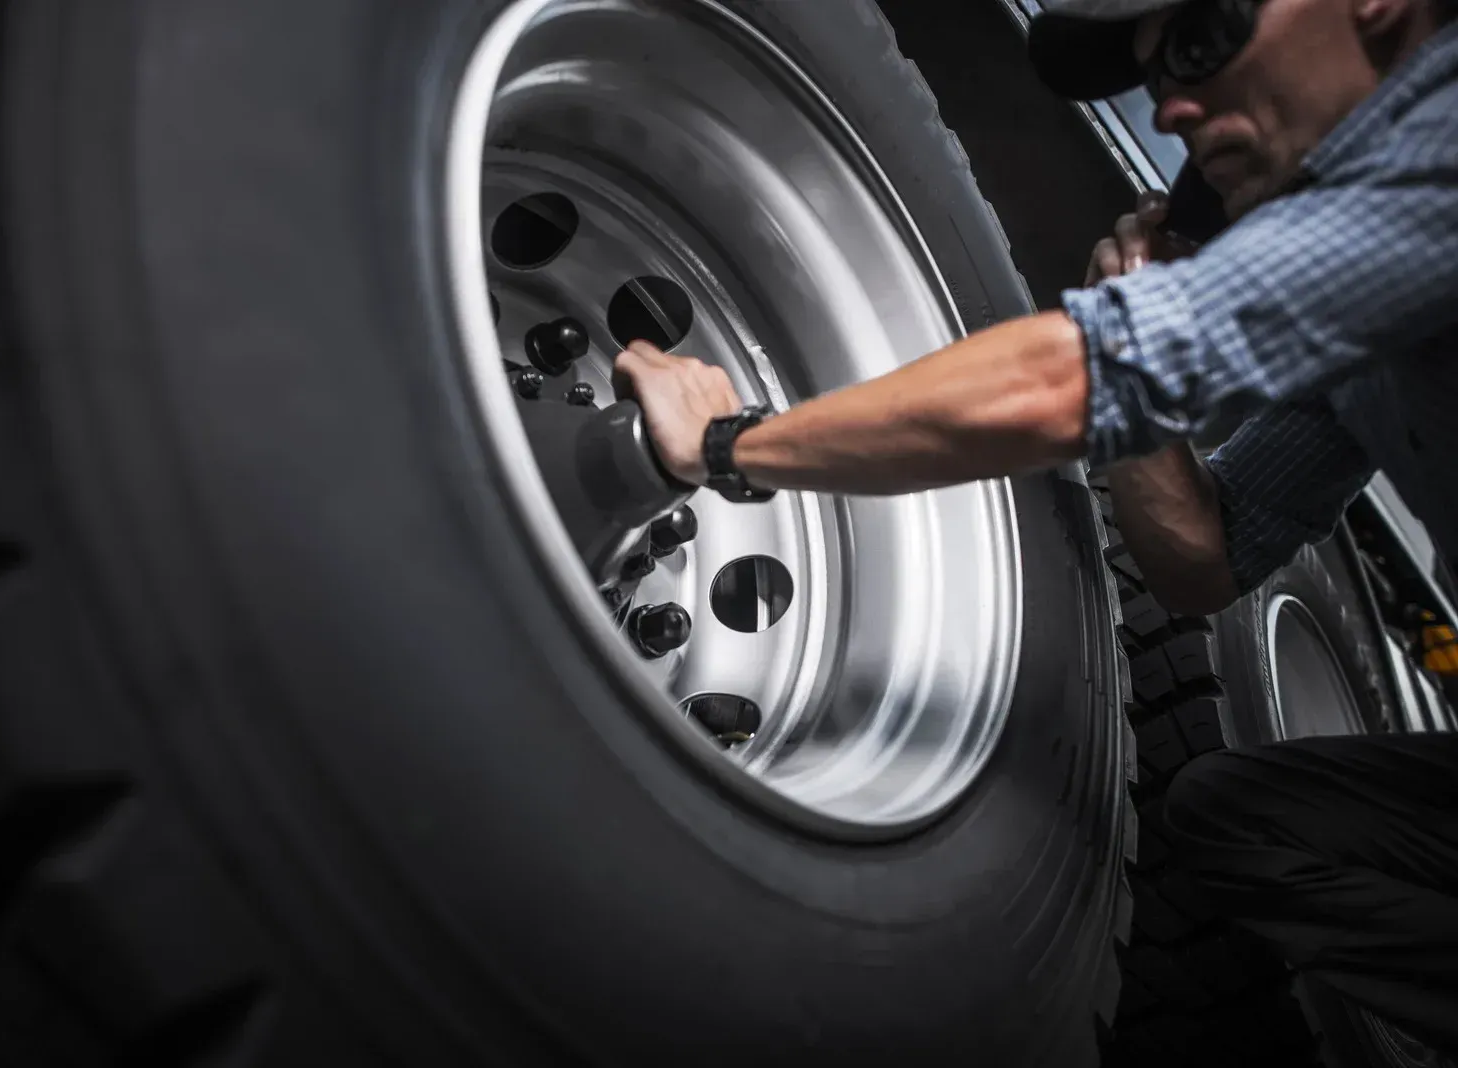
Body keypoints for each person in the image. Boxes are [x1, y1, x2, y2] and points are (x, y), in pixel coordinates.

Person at [614, 0, 1458, 1051]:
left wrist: (728, 442)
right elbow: (1206, 564)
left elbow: (1074, 377)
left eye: (1201, 42)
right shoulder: (1364, 329)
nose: (1177, 106)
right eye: (1154, 81)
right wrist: (1130, 356)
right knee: (1242, 819)